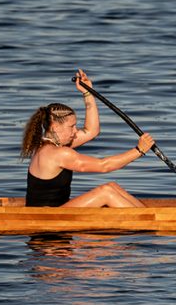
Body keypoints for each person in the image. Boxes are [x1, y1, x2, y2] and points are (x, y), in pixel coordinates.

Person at [21, 70, 154, 207]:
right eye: (71, 126)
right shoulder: (59, 154)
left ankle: (150, 215)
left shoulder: (45, 146)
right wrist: (139, 150)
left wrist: (88, 93)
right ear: (55, 127)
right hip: (48, 216)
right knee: (106, 192)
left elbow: (91, 131)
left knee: (112, 186)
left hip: (56, 211)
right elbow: (104, 166)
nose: (76, 131)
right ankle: (150, 219)